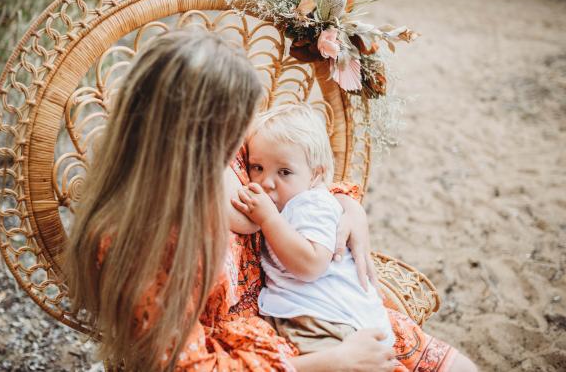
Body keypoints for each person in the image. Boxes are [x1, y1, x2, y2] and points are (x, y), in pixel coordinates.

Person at [64, 29, 477, 371]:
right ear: (196, 136)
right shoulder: (140, 243)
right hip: (275, 352)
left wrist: (351, 213)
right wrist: (331, 362)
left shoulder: (229, 160)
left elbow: (300, 179)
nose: (244, 134)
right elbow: (190, 366)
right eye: (236, 123)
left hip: (311, 301)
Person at [230, 104, 396, 356]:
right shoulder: (292, 200)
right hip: (311, 313)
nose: (266, 182)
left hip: (326, 320)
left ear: (315, 174)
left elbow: (311, 265)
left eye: (284, 172)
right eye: (257, 167)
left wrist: (268, 219)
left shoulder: (311, 204)